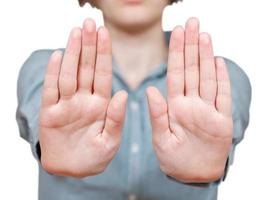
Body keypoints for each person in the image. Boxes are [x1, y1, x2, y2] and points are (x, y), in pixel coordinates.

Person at [16, 0, 251, 199]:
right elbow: (39, 114)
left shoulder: (222, 77)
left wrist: (209, 163)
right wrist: (48, 148)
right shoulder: (48, 69)